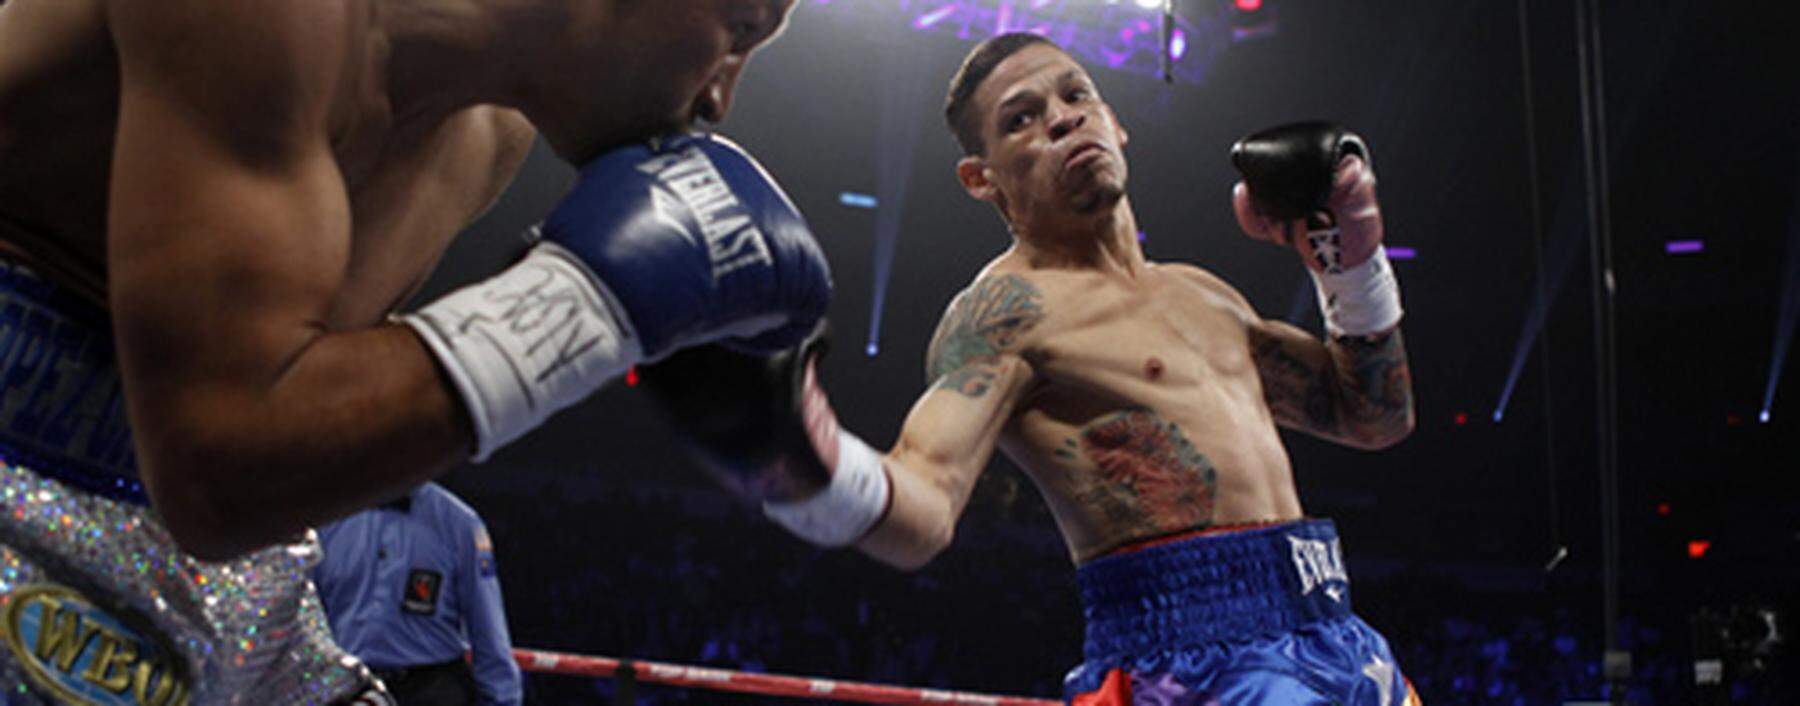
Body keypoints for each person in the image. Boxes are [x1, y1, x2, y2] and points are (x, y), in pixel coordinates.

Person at [0, 0, 823, 702]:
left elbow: (281, 433)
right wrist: (589, 302)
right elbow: (220, 473)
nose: (719, 97)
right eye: (740, 27)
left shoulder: (487, 137)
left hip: (232, 564)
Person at [650, 33, 1422, 705]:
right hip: (1192, 663)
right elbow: (927, 494)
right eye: (1021, 118)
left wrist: (1347, 263)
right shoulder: (1004, 316)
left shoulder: (1205, 295)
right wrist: (810, 463)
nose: (1062, 117)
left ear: (1116, 123)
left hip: (1338, 629)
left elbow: (1373, 417)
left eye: (1076, 94)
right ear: (981, 178)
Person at [314, 482, 522, 706]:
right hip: (348, 686)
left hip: (431, 689)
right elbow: (304, 618)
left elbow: (487, 628)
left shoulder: (459, 523)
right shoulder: (329, 522)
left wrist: (503, 700)